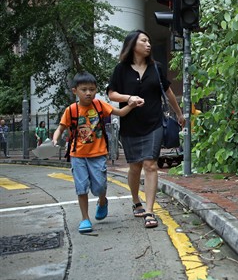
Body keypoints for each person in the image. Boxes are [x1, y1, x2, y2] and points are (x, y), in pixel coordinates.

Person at [107, 30, 185, 229]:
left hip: (154, 123)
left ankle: (150, 211)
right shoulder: (121, 69)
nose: (148, 44)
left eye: (149, 40)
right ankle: (136, 201)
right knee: (135, 166)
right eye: (144, 40)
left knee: (151, 164)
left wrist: (179, 113)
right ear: (133, 44)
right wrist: (128, 98)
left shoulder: (156, 68)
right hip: (130, 124)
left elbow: (168, 93)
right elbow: (112, 94)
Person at [52, 71, 136, 233]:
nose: (88, 93)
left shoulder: (99, 105)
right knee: (81, 187)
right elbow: (60, 128)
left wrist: (131, 105)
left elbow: (119, 113)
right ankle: (85, 219)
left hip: (98, 154)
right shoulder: (71, 110)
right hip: (77, 156)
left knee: (100, 186)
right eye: (84, 89)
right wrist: (55, 139)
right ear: (75, 91)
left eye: (92, 89)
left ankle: (102, 201)